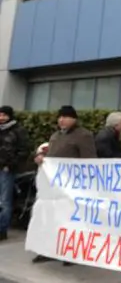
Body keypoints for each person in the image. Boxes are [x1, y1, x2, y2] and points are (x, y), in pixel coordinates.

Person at [33, 105, 96, 265]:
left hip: (73, 186)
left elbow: (89, 161)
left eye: (65, 116)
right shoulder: (55, 135)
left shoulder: (83, 135)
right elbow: (51, 155)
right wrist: (41, 157)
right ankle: (49, 250)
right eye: (60, 116)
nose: (61, 119)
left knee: (70, 220)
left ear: (74, 118)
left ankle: (72, 252)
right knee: (51, 218)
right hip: (53, 186)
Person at [0, 106, 28, 241]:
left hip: (7, 170)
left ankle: (2, 229)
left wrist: (10, 165)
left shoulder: (18, 130)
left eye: (4, 115)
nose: (1, 117)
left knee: (5, 200)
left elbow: (24, 150)